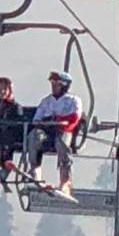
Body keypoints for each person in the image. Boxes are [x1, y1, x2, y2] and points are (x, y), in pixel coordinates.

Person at [25, 70, 84, 201]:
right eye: (52, 83)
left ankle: (65, 180)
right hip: (47, 132)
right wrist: (45, 122)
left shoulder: (73, 100)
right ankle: (35, 170)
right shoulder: (46, 101)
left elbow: (74, 118)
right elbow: (37, 120)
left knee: (61, 142)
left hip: (64, 130)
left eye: (57, 83)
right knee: (34, 136)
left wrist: (58, 119)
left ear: (65, 85)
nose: (54, 86)